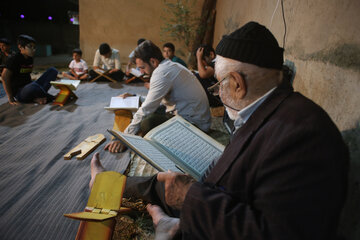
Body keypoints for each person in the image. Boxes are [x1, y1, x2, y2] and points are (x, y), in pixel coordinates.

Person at [91, 22, 349, 239]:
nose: (218, 93)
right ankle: (105, 184)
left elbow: (276, 232)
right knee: (165, 182)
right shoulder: (271, 109)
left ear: (237, 83)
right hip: (212, 197)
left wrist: (190, 199)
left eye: (218, 85)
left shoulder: (304, 135)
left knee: (175, 186)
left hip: (211, 207)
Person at [104, 40, 211, 153]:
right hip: (197, 119)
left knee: (147, 122)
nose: (141, 71)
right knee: (147, 116)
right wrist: (136, 97)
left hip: (195, 126)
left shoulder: (161, 73)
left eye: (142, 67)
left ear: (153, 61)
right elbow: (158, 101)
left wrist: (124, 138)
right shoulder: (168, 66)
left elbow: (147, 108)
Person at [1, 35, 58, 105]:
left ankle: (38, 97)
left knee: (53, 71)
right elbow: (4, 77)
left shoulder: (30, 58)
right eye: (30, 47)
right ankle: (51, 97)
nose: (33, 49)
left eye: (34, 47)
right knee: (33, 87)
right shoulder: (13, 59)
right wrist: (10, 98)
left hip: (31, 86)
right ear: (20, 47)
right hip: (20, 93)